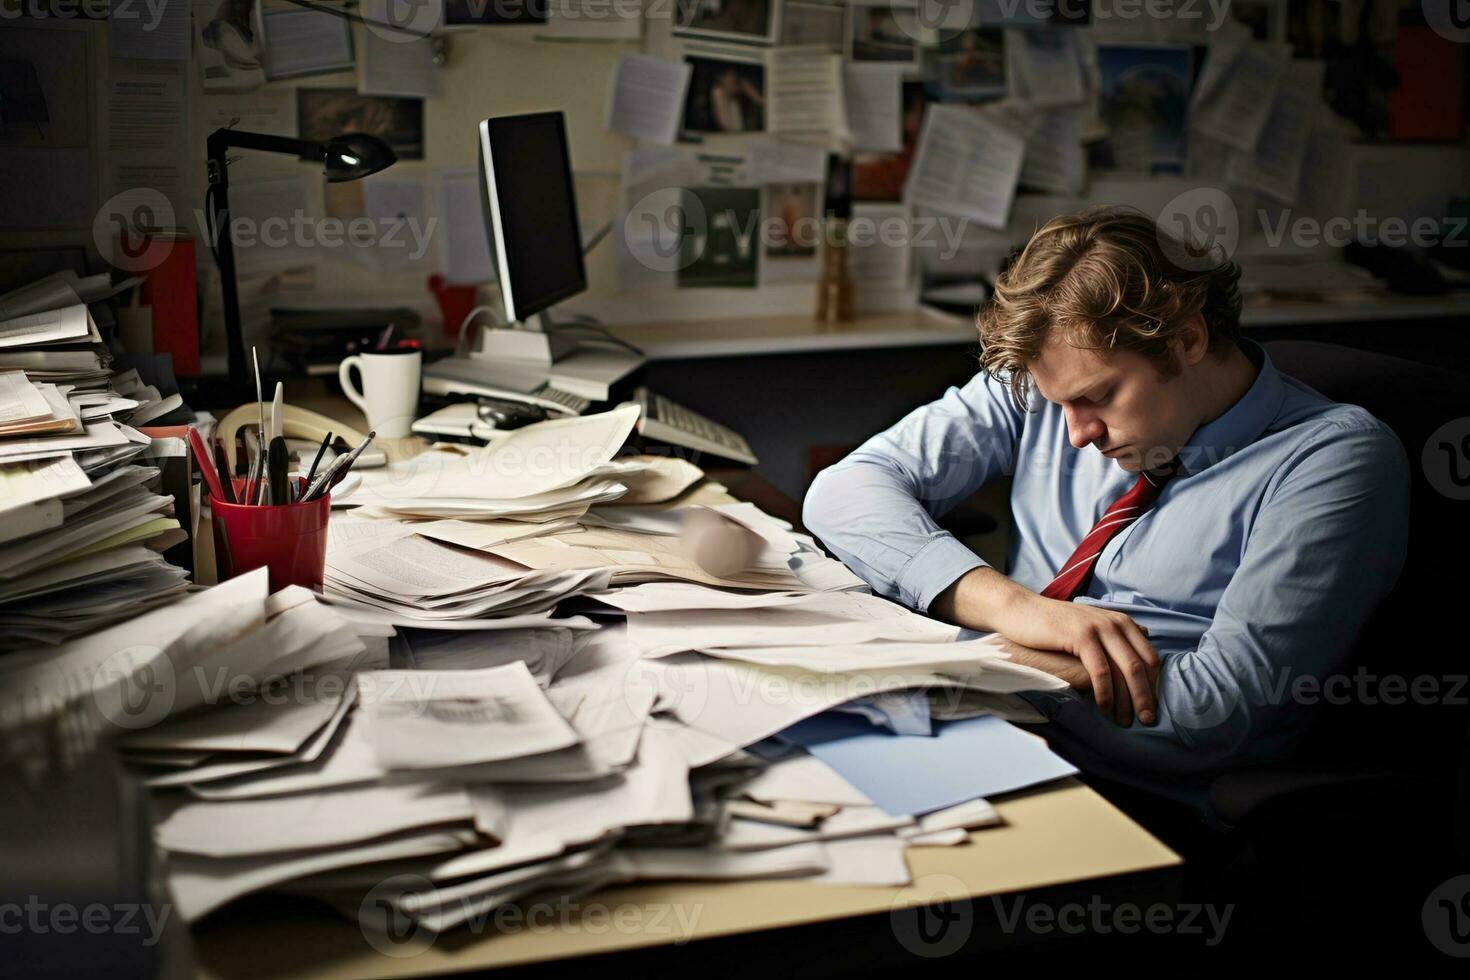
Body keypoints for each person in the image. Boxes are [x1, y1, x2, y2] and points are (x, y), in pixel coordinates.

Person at [802, 206, 1409, 802]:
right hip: (987, 729)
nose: (1075, 434)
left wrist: (971, 651)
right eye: (1058, 402)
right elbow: (843, 491)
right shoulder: (1052, 381)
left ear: (1188, 338)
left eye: (1100, 397)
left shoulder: (1333, 461)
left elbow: (1216, 711)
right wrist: (1016, 610)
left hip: (1130, 794)